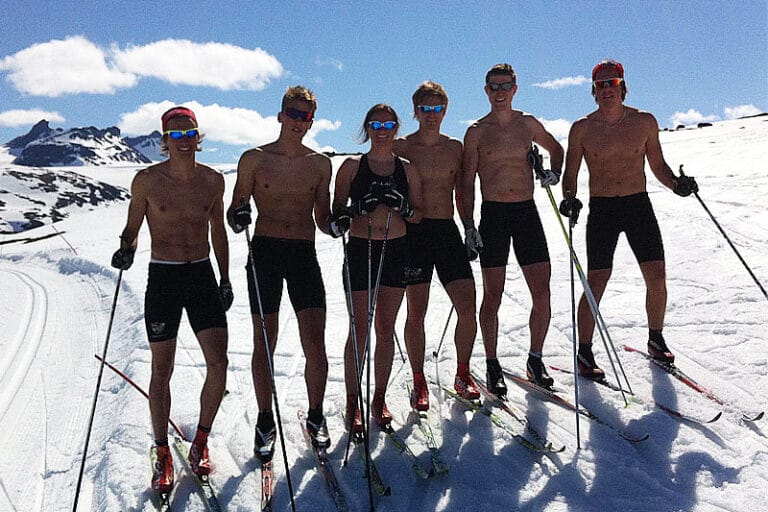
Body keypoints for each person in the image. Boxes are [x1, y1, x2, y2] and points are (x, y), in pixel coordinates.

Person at [111, 106, 230, 492]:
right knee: (162, 368)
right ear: (165, 140)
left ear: (198, 136)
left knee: (219, 363)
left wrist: (226, 278)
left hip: (201, 275)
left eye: (189, 133)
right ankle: (162, 450)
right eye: (175, 135)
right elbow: (132, 227)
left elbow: (218, 231)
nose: (183, 141)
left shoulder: (213, 181)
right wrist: (125, 249)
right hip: (163, 277)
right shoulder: (147, 181)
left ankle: (200, 442)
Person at [560, 59, 698, 378]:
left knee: (656, 275)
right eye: (601, 85)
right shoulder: (582, 128)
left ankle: (656, 338)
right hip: (603, 209)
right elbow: (571, 173)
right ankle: (584, 351)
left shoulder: (644, 122)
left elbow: (658, 165)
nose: (606, 89)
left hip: (638, 206)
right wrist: (569, 198)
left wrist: (677, 185)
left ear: (623, 86)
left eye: (612, 83)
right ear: (593, 91)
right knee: (597, 280)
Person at [226, 86, 334, 455]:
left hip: (303, 253)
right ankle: (264, 419)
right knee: (264, 341)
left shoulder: (320, 164)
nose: (298, 121)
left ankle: (316, 415)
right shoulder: (254, 159)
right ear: (280, 115)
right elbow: (234, 212)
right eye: (293, 113)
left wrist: (338, 224)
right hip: (265, 252)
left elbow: (322, 217)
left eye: (306, 116)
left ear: (311, 122)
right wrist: (239, 216)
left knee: (315, 341)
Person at [459, 63, 564, 394]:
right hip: (493, 215)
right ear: (486, 91)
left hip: (526, 212)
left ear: (515, 89)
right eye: (494, 87)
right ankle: (492, 363)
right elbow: (466, 182)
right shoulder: (477, 132)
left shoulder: (527, 124)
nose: (500, 93)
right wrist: (469, 225)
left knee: (542, 291)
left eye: (506, 86)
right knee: (493, 294)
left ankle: (535, 359)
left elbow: (556, 149)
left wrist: (554, 173)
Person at [330, 104, 423, 431]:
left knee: (385, 327)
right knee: (359, 328)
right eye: (375, 124)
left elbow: (418, 215)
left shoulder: (407, 169)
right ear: (367, 128)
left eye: (387, 124)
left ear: (396, 128)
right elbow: (337, 213)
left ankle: (378, 397)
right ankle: (352, 400)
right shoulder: (351, 167)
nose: (382, 130)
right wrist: (357, 208)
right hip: (361, 248)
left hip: (395, 249)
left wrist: (403, 206)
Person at [393, 81, 480, 410]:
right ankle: (419, 380)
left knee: (467, 306)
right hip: (413, 234)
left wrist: (469, 226)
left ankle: (462, 373)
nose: (432, 114)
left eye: (437, 108)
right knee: (417, 311)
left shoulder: (454, 147)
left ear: (445, 111)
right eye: (425, 108)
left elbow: (463, 190)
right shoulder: (402, 147)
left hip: (446, 230)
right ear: (415, 111)